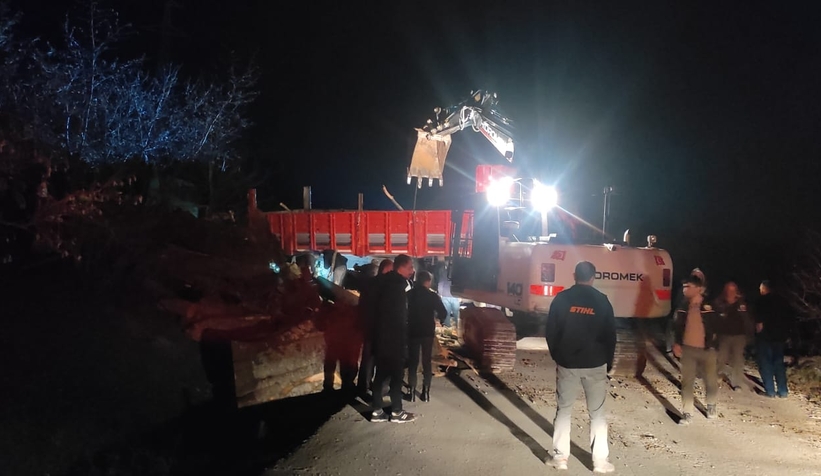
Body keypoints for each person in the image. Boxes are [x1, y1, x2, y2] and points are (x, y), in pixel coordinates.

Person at [545, 261, 616, 473]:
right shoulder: (602, 301)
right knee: (597, 413)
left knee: (564, 410)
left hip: (568, 363)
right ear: (593, 277)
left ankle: (560, 458)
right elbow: (610, 336)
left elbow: (550, 331)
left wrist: (558, 355)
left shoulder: (562, 299)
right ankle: (600, 462)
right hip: (595, 363)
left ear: (574, 275)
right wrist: (607, 362)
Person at [370, 254, 416, 423]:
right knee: (397, 375)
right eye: (410, 267)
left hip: (380, 338)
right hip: (394, 339)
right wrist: (403, 340)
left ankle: (377, 411)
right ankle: (397, 411)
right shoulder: (397, 288)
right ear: (401, 268)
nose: (412, 271)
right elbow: (399, 318)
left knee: (380, 375)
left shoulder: (382, 284)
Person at [673, 274, 720, 425]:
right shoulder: (683, 306)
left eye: (689, 287)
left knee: (710, 380)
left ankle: (711, 405)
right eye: (684, 287)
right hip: (688, 350)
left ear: (699, 289)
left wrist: (714, 344)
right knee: (687, 382)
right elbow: (678, 327)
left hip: (707, 350)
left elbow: (718, 326)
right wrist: (677, 343)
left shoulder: (709, 306)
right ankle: (687, 412)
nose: (685, 290)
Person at [406, 270, 448, 402]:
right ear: (428, 282)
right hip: (427, 332)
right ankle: (426, 393)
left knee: (413, 362)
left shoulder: (409, 294)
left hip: (412, 331)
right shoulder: (432, 296)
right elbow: (443, 312)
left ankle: (411, 392)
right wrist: (439, 319)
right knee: (426, 362)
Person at [356, 258, 393, 398]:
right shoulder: (387, 286)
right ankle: (379, 389)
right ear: (387, 270)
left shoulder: (369, 284)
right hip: (381, 328)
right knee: (382, 360)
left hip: (368, 326)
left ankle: (363, 387)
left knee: (368, 359)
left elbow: (361, 304)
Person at [755, 280, 794, 398]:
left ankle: (770, 391)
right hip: (780, 337)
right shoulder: (783, 301)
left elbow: (759, 321)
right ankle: (783, 391)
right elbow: (789, 319)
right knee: (778, 363)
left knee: (766, 362)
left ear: (764, 289)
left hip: (766, 336)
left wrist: (757, 333)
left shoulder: (762, 301)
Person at [714, 281, 752, 391]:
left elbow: (747, 320)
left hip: (739, 336)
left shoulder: (742, 303)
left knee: (738, 360)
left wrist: (749, 334)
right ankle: (717, 376)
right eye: (729, 290)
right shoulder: (719, 302)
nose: (731, 292)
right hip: (724, 335)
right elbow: (714, 318)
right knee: (721, 357)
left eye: (733, 290)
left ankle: (736, 383)